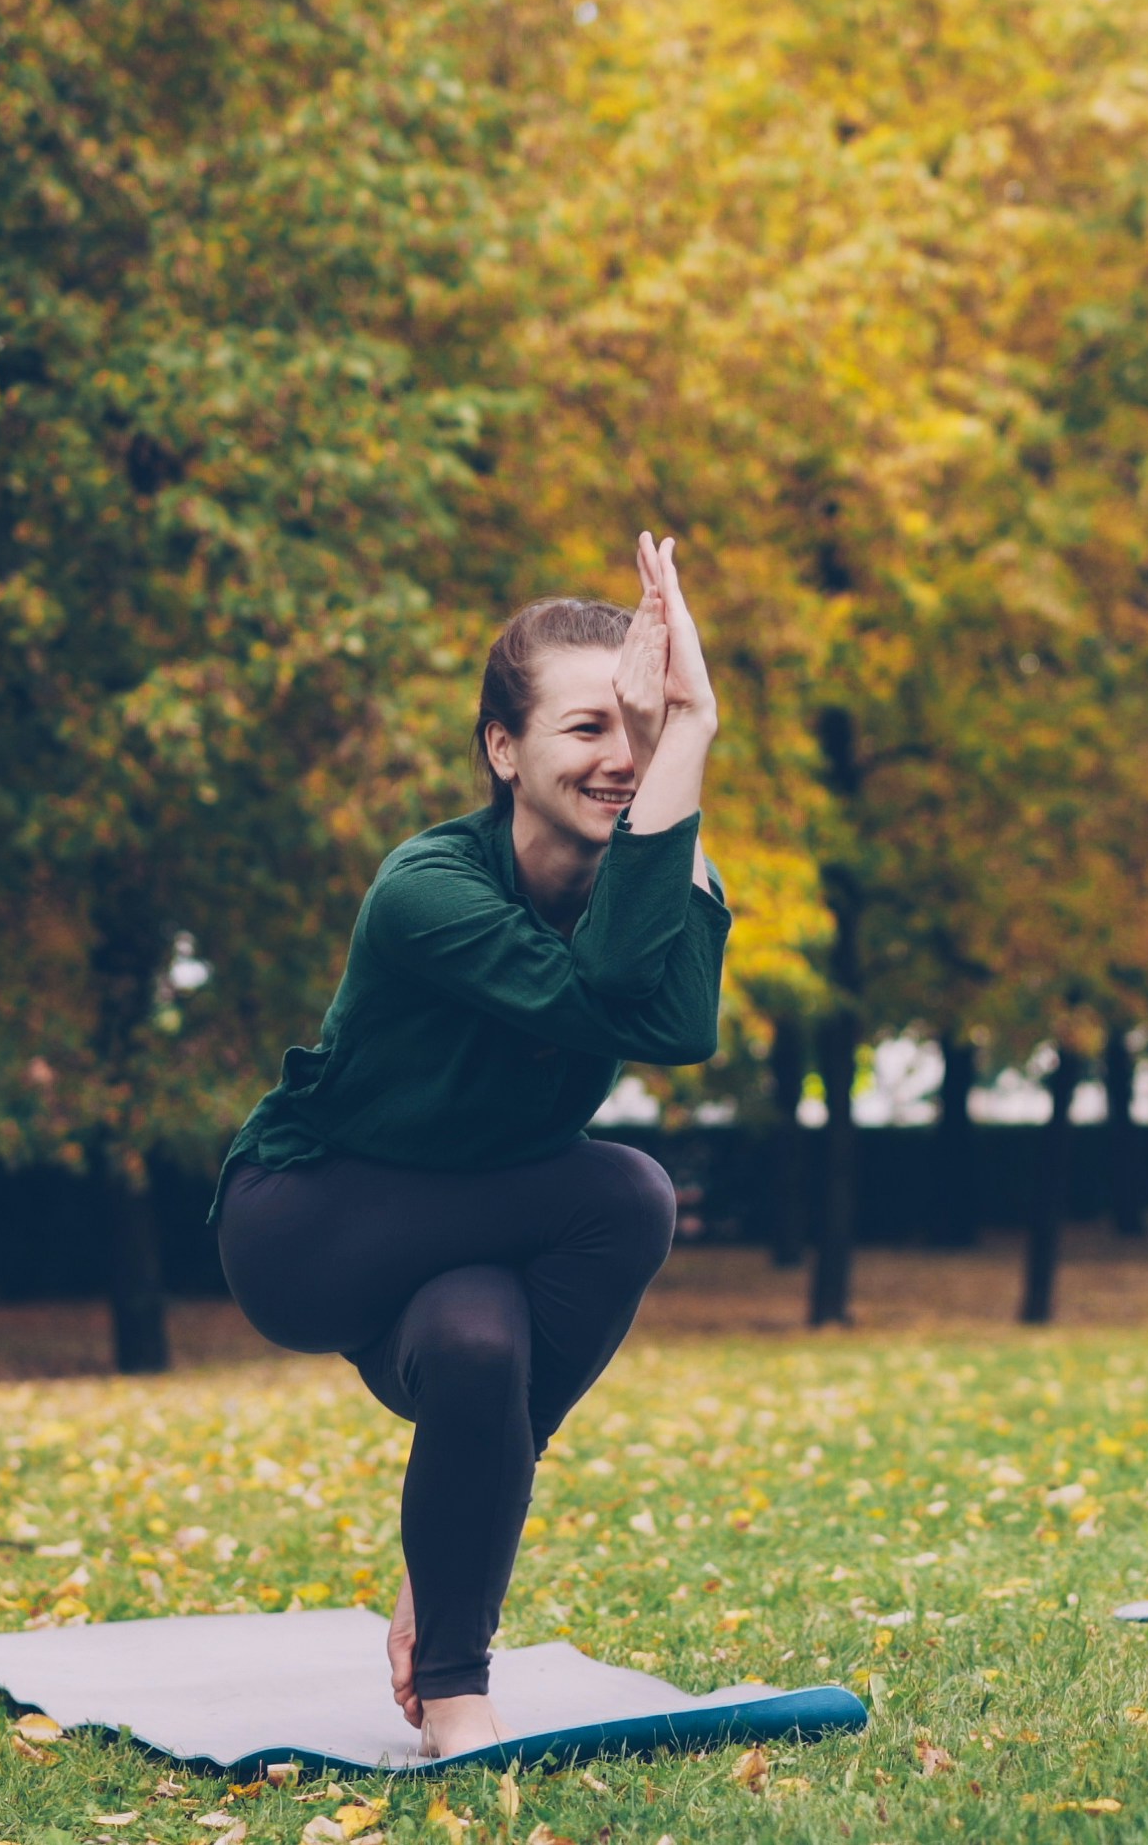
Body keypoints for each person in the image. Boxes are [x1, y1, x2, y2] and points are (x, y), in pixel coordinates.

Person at [213, 534, 726, 1756]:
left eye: (639, 729)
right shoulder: (425, 889)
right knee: (627, 1192)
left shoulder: (650, 873)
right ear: (503, 749)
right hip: (312, 1220)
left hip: (466, 1230)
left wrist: (679, 753)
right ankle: (465, 1537)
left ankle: (452, 1685)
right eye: (588, 729)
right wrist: (690, 733)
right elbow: (611, 991)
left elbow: (681, 1025)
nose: (621, 759)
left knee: (479, 1339)